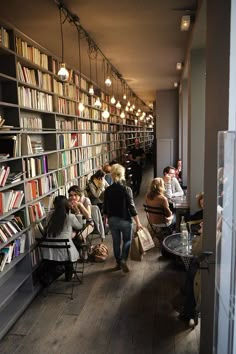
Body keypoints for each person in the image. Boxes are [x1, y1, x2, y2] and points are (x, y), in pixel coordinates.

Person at [103, 163, 143, 273]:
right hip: (125, 219)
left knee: (116, 242)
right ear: (122, 175)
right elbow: (132, 207)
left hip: (112, 220)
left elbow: (105, 207)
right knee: (127, 241)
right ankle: (123, 260)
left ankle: (118, 262)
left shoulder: (107, 190)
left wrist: (105, 220)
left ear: (111, 174)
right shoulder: (127, 189)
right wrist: (138, 223)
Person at [44, 196, 83, 280]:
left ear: (54, 205)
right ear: (66, 205)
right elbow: (80, 226)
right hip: (66, 253)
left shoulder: (49, 215)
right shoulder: (70, 217)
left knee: (69, 240)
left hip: (51, 252)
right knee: (77, 241)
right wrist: (78, 213)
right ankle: (69, 275)